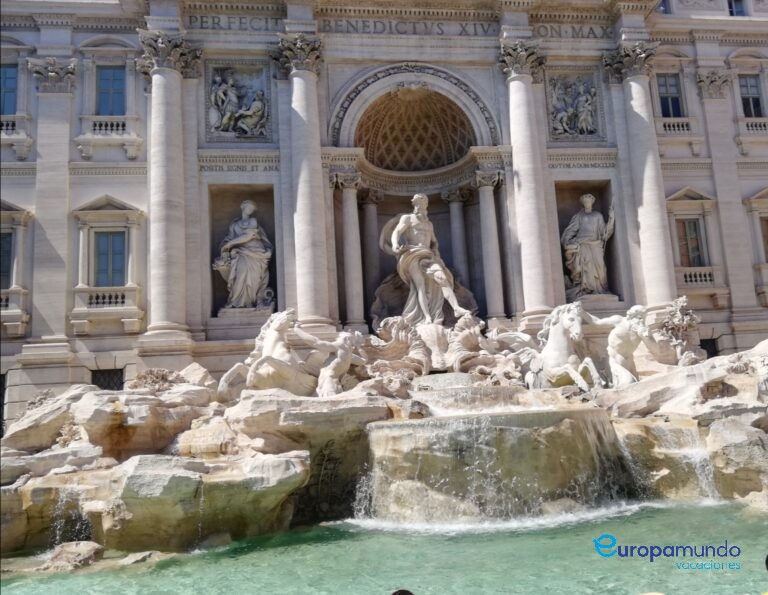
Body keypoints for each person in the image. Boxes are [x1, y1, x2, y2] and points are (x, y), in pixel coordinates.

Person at [388, 193, 469, 325]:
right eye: (419, 203)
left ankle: (456, 308)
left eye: (424, 203)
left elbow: (434, 242)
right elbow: (397, 232)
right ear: (414, 204)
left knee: (442, 278)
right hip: (412, 254)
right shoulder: (407, 218)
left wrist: (437, 256)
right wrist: (395, 244)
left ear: (426, 205)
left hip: (428, 255)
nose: (421, 206)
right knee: (420, 286)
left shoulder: (428, 224)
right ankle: (427, 317)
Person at [215, 200, 272, 308]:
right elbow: (229, 238)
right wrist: (225, 245)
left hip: (255, 251)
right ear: (243, 207)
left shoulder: (253, 221)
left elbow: (248, 236)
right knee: (240, 275)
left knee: (252, 278)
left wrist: (231, 243)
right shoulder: (234, 224)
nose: (250, 210)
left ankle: (248, 303)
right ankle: (235, 301)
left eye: (252, 209)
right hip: (240, 252)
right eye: (249, 207)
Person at [560, 193, 614, 301]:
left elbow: (604, 232)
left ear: (592, 202)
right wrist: (569, 241)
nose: (587, 203)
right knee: (586, 266)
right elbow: (570, 231)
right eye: (585, 201)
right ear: (583, 203)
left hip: (596, 244)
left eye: (589, 201)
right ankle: (587, 289)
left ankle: (600, 289)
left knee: (600, 267)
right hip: (583, 244)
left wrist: (611, 218)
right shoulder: (579, 216)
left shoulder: (598, 215)